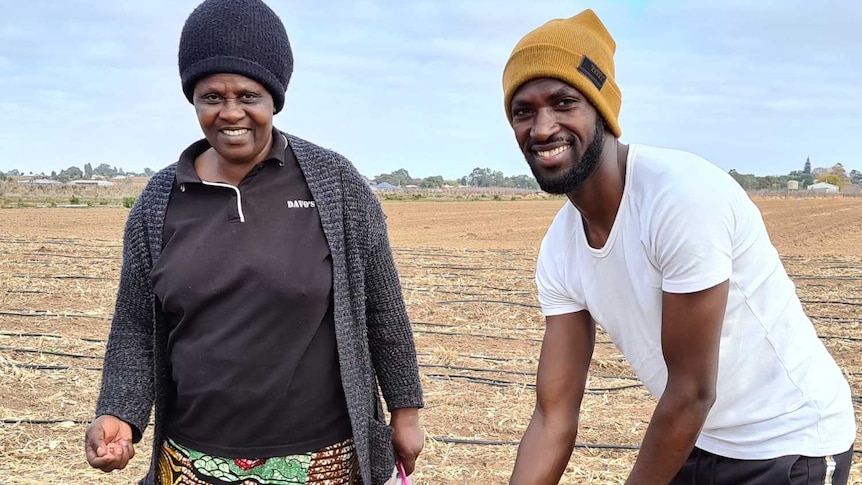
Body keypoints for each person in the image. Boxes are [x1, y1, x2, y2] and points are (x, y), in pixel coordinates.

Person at [502, 9, 856, 485]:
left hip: (789, 442)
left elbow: (691, 390)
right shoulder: (560, 250)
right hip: (699, 436)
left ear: (603, 111)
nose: (541, 128)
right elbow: (552, 417)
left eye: (563, 102)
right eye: (523, 110)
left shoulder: (680, 197)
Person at [83, 1, 424, 484]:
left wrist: (405, 412)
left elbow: (383, 307)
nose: (230, 113)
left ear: (274, 99)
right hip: (194, 461)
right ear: (192, 100)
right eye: (211, 97)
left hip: (325, 459)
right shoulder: (158, 201)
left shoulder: (335, 184)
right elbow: (137, 324)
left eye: (248, 95)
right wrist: (119, 413)